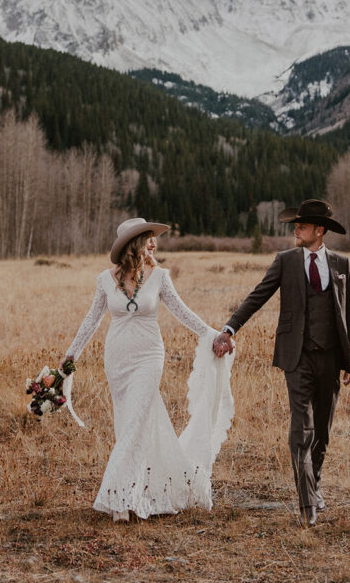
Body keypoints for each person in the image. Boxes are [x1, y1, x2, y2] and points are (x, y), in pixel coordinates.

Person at [62, 217, 234, 522]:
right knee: (128, 422)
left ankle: (117, 499)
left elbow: (182, 311)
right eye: (148, 238)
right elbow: (91, 321)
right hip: (117, 357)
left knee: (136, 421)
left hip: (149, 355)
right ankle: (136, 491)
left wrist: (214, 334)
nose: (154, 243)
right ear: (135, 244)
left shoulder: (159, 276)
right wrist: (70, 355)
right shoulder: (106, 279)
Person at [213, 199, 350, 527]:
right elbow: (257, 295)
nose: (296, 229)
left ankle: (314, 484)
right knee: (301, 429)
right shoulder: (286, 261)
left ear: (320, 231)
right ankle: (307, 503)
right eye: (297, 225)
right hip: (297, 356)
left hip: (332, 357)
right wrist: (229, 328)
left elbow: (347, 313)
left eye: (303, 226)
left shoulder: (341, 264)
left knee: (323, 428)